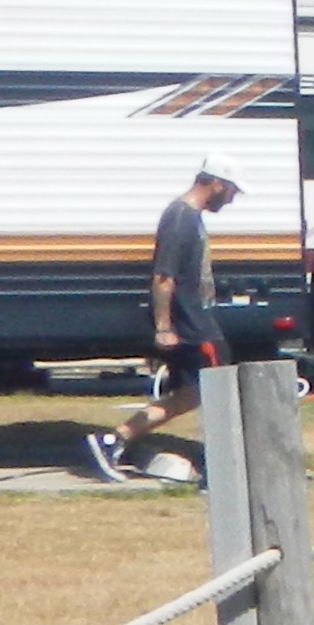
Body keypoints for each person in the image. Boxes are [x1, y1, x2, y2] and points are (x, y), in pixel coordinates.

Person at [84, 158, 239, 481]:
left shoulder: (190, 217)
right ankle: (221, 471)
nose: (232, 199)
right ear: (217, 184)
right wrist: (163, 327)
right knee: (221, 391)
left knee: (189, 395)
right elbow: (163, 277)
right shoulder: (180, 217)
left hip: (194, 319)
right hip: (194, 325)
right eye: (232, 192)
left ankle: (112, 440)